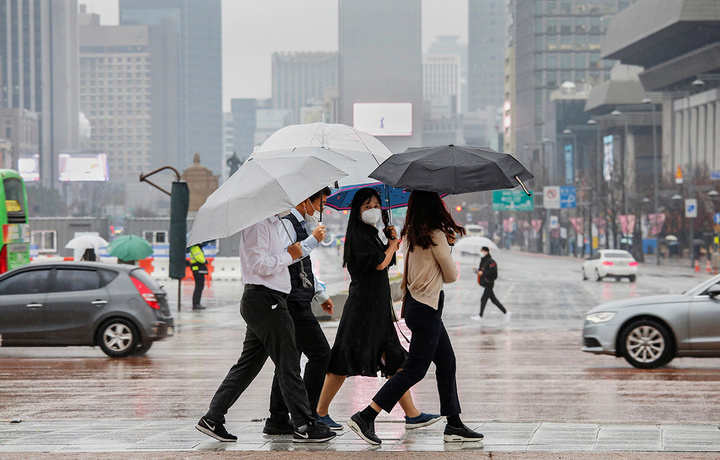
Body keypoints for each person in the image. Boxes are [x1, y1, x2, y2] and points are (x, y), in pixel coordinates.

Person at [346, 190, 483, 445]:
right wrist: (447, 246)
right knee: (415, 370)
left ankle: (453, 423)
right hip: (427, 310)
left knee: (447, 362)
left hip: (414, 307)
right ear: (435, 208)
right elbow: (451, 276)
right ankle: (366, 415)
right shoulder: (436, 236)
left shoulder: (411, 235)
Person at [196, 215, 336, 444]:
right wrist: (289, 255)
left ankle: (213, 418)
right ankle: (304, 425)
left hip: (267, 300)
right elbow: (257, 264)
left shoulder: (272, 224)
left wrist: (291, 255)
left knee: (248, 365)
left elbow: (274, 261)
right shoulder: (257, 225)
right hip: (265, 300)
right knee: (288, 362)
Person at [315, 187, 440, 431]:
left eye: (376, 205)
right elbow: (380, 264)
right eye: (367, 207)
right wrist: (392, 244)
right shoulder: (359, 235)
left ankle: (412, 414)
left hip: (377, 307)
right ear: (357, 211)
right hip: (362, 308)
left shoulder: (373, 233)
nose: (373, 210)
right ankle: (320, 411)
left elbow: (385, 258)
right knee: (342, 359)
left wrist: (388, 239)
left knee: (395, 359)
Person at [263, 187, 335, 435]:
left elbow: (305, 266)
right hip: (292, 301)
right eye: (321, 203)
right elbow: (287, 258)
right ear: (306, 201)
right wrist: (313, 239)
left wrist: (320, 294)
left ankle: (278, 418)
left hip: (301, 298)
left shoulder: (300, 225)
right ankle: (309, 414)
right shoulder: (288, 225)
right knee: (321, 354)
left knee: (288, 361)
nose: (322, 209)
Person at [471, 246, 510, 325]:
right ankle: (506, 312)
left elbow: (493, 273)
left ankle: (480, 316)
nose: (480, 252)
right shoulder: (483, 261)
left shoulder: (491, 261)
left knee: (483, 299)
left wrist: (483, 273)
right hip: (485, 283)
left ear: (486, 252)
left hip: (489, 283)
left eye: (482, 251)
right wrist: (476, 271)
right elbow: (481, 271)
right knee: (493, 300)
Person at [188, 243, 208, 310]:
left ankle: (197, 303)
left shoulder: (198, 247)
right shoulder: (195, 247)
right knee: (199, 287)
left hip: (199, 270)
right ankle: (196, 304)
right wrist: (205, 260)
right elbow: (200, 259)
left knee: (199, 287)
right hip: (197, 270)